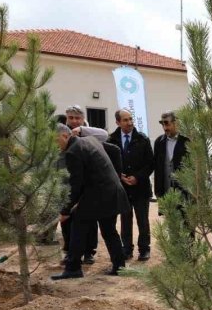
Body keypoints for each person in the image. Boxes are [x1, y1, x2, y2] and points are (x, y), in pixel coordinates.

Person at [51, 124, 127, 280]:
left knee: (78, 225)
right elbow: (113, 151)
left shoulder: (73, 152)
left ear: (65, 136)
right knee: (108, 230)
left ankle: (73, 268)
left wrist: (65, 211)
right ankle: (119, 266)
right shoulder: (89, 140)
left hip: (100, 194)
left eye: (55, 140)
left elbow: (76, 185)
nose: (54, 145)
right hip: (111, 191)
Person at [64, 104, 109, 264]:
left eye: (77, 118)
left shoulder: (90, 132)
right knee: (68, 219)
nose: (74, 121)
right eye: (71, 118)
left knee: (90, 219)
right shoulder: (63, 132)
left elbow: (105, 135)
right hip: (70, 182)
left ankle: (89, 252)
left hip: (89, 184)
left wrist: (81, 131)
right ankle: (69, 251)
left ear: (83, 119)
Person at [109, 109, 154, 261]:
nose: (129, 123)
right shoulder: (111, 140)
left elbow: (150, 164)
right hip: (122, 189)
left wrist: (137, 177)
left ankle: (144, 249)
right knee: (125, 220)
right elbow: (108, 163)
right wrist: (119, 175)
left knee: (143, 221)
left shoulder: (142, 139)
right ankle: (127, 249)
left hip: (140, 188)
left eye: (130, 119)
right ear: (117, 122)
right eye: (125, 120)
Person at [153, 111, 191, 229]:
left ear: (176, 123)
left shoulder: (187, 141)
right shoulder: (159, 142)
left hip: (184, 193)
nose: (165, 128)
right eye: (162, 124)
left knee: (187, 227)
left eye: (167, 124)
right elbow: (157, 167)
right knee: (171, 227)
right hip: (166, 192)